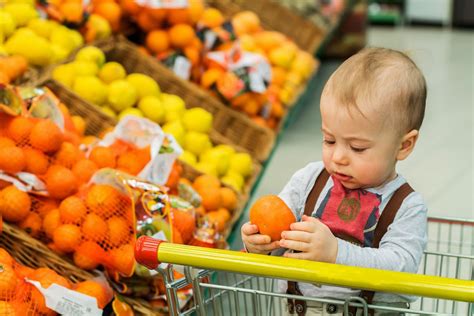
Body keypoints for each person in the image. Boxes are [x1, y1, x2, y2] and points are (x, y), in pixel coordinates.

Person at [241, 47, 428, 315]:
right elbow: (279, 232)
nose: (338, 157)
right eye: (329, 140)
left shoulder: (407, 206)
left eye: (358, 147)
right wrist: (258, 245)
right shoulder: (309, 180)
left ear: (404, 145)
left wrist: (336, 253)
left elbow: (401, 269)